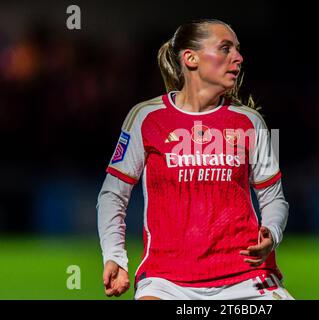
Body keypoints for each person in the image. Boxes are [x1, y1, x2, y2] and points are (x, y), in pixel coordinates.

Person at [97, 19, 293, 300]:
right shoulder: (145, 118)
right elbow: (112, 195)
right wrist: (114, 255)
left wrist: (271, 233)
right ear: (190, 58)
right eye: (225, 48)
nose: (238, 57)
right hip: (166, 280)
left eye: (237, 50)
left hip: (246, 277)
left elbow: (274, 198)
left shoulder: (253, 121)